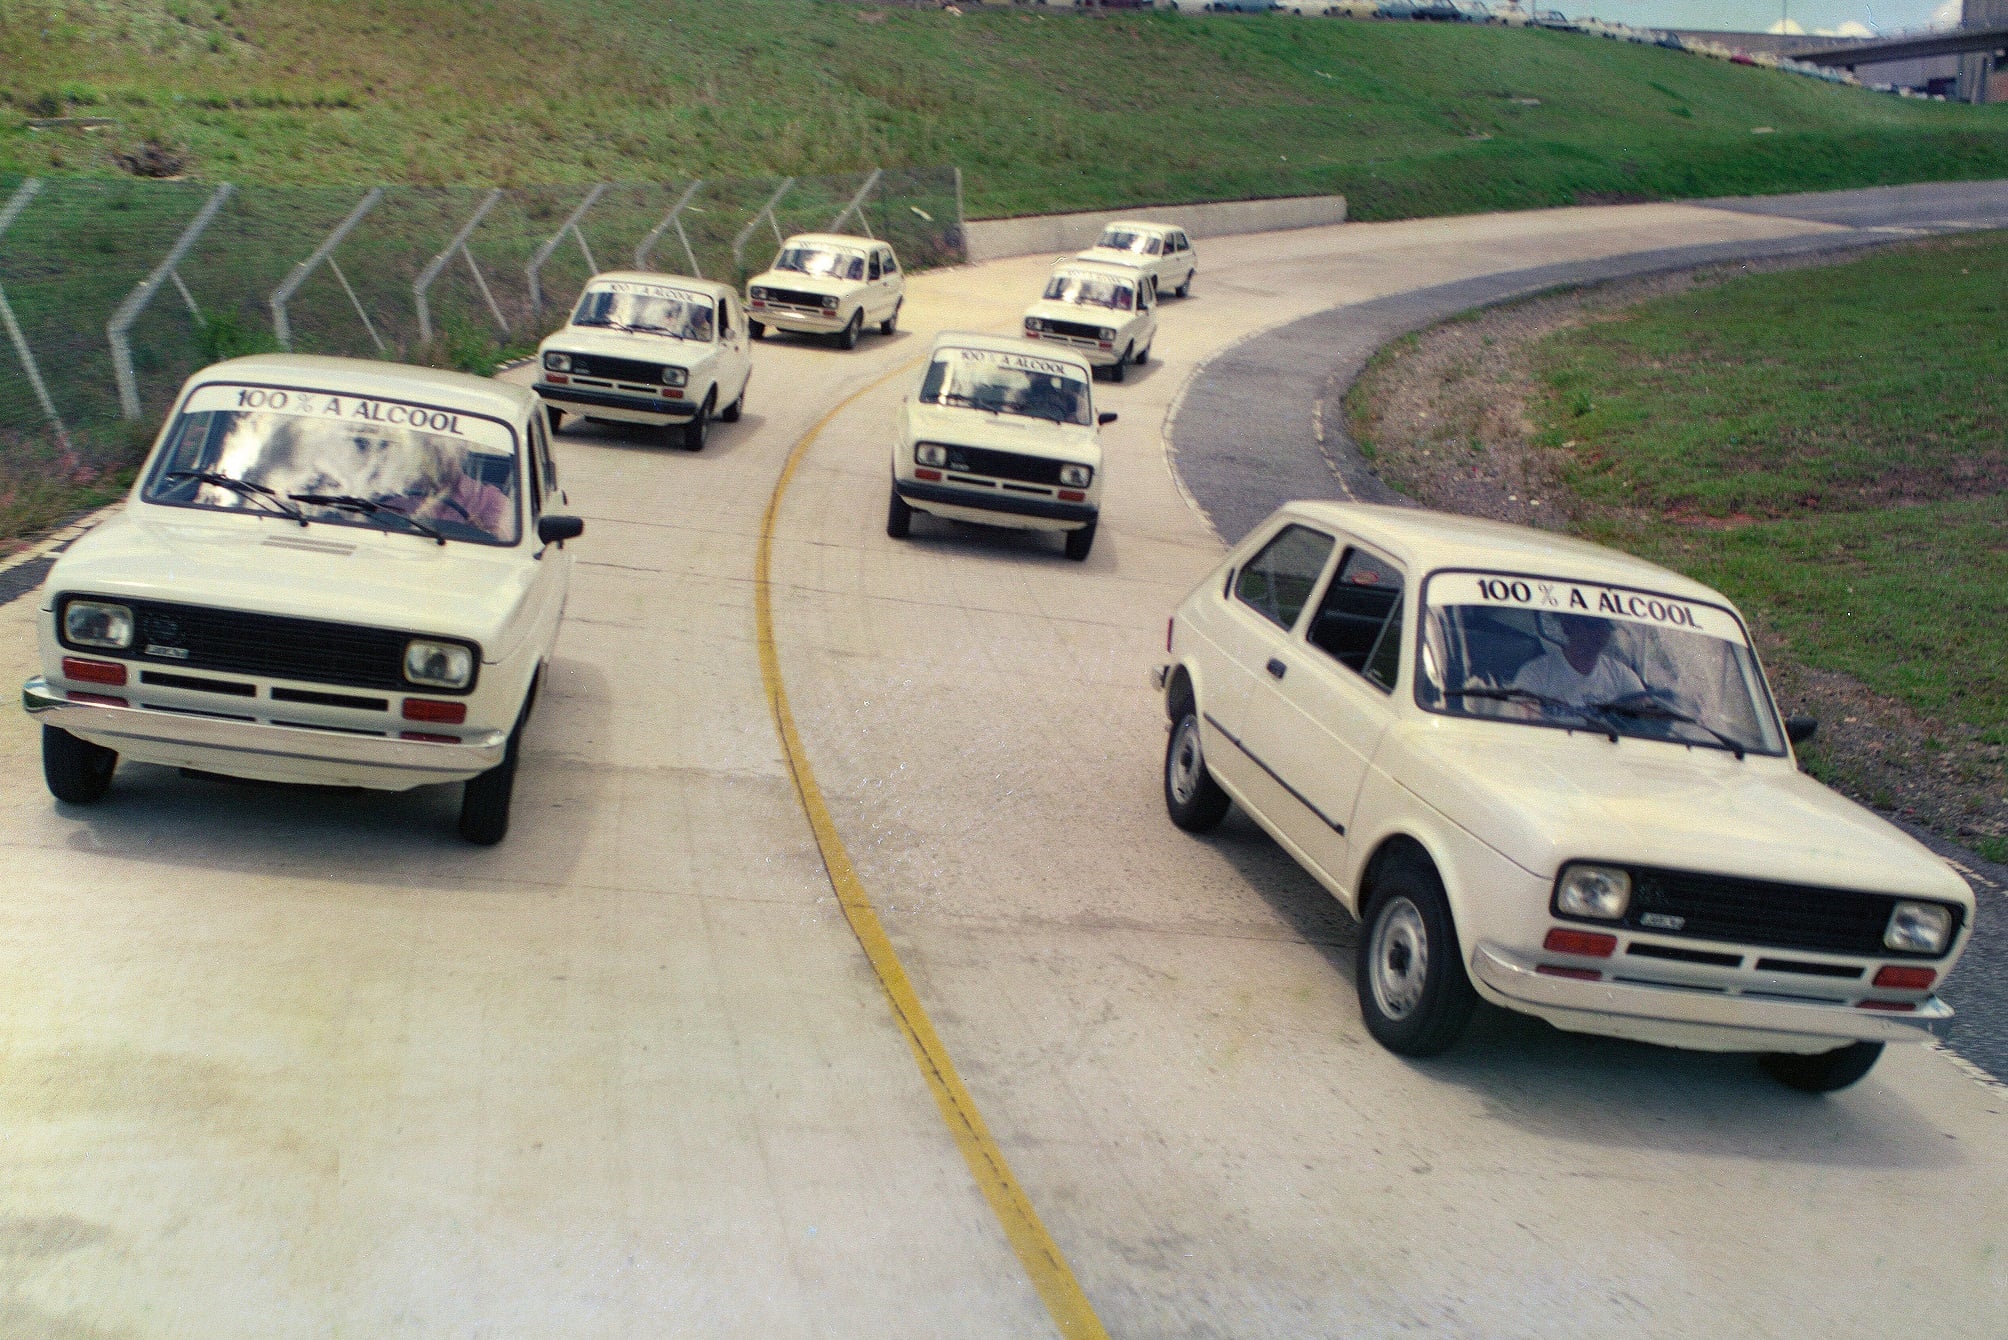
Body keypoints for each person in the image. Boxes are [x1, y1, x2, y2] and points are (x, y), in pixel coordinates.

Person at [1511, 613, 1645, 708]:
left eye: (1606, 626)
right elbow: (1521, 715)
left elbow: (1647, 711)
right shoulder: (1535, 673)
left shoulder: (1620, 675)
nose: (1601, 633)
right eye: (1592, 625)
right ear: (1568, 627)